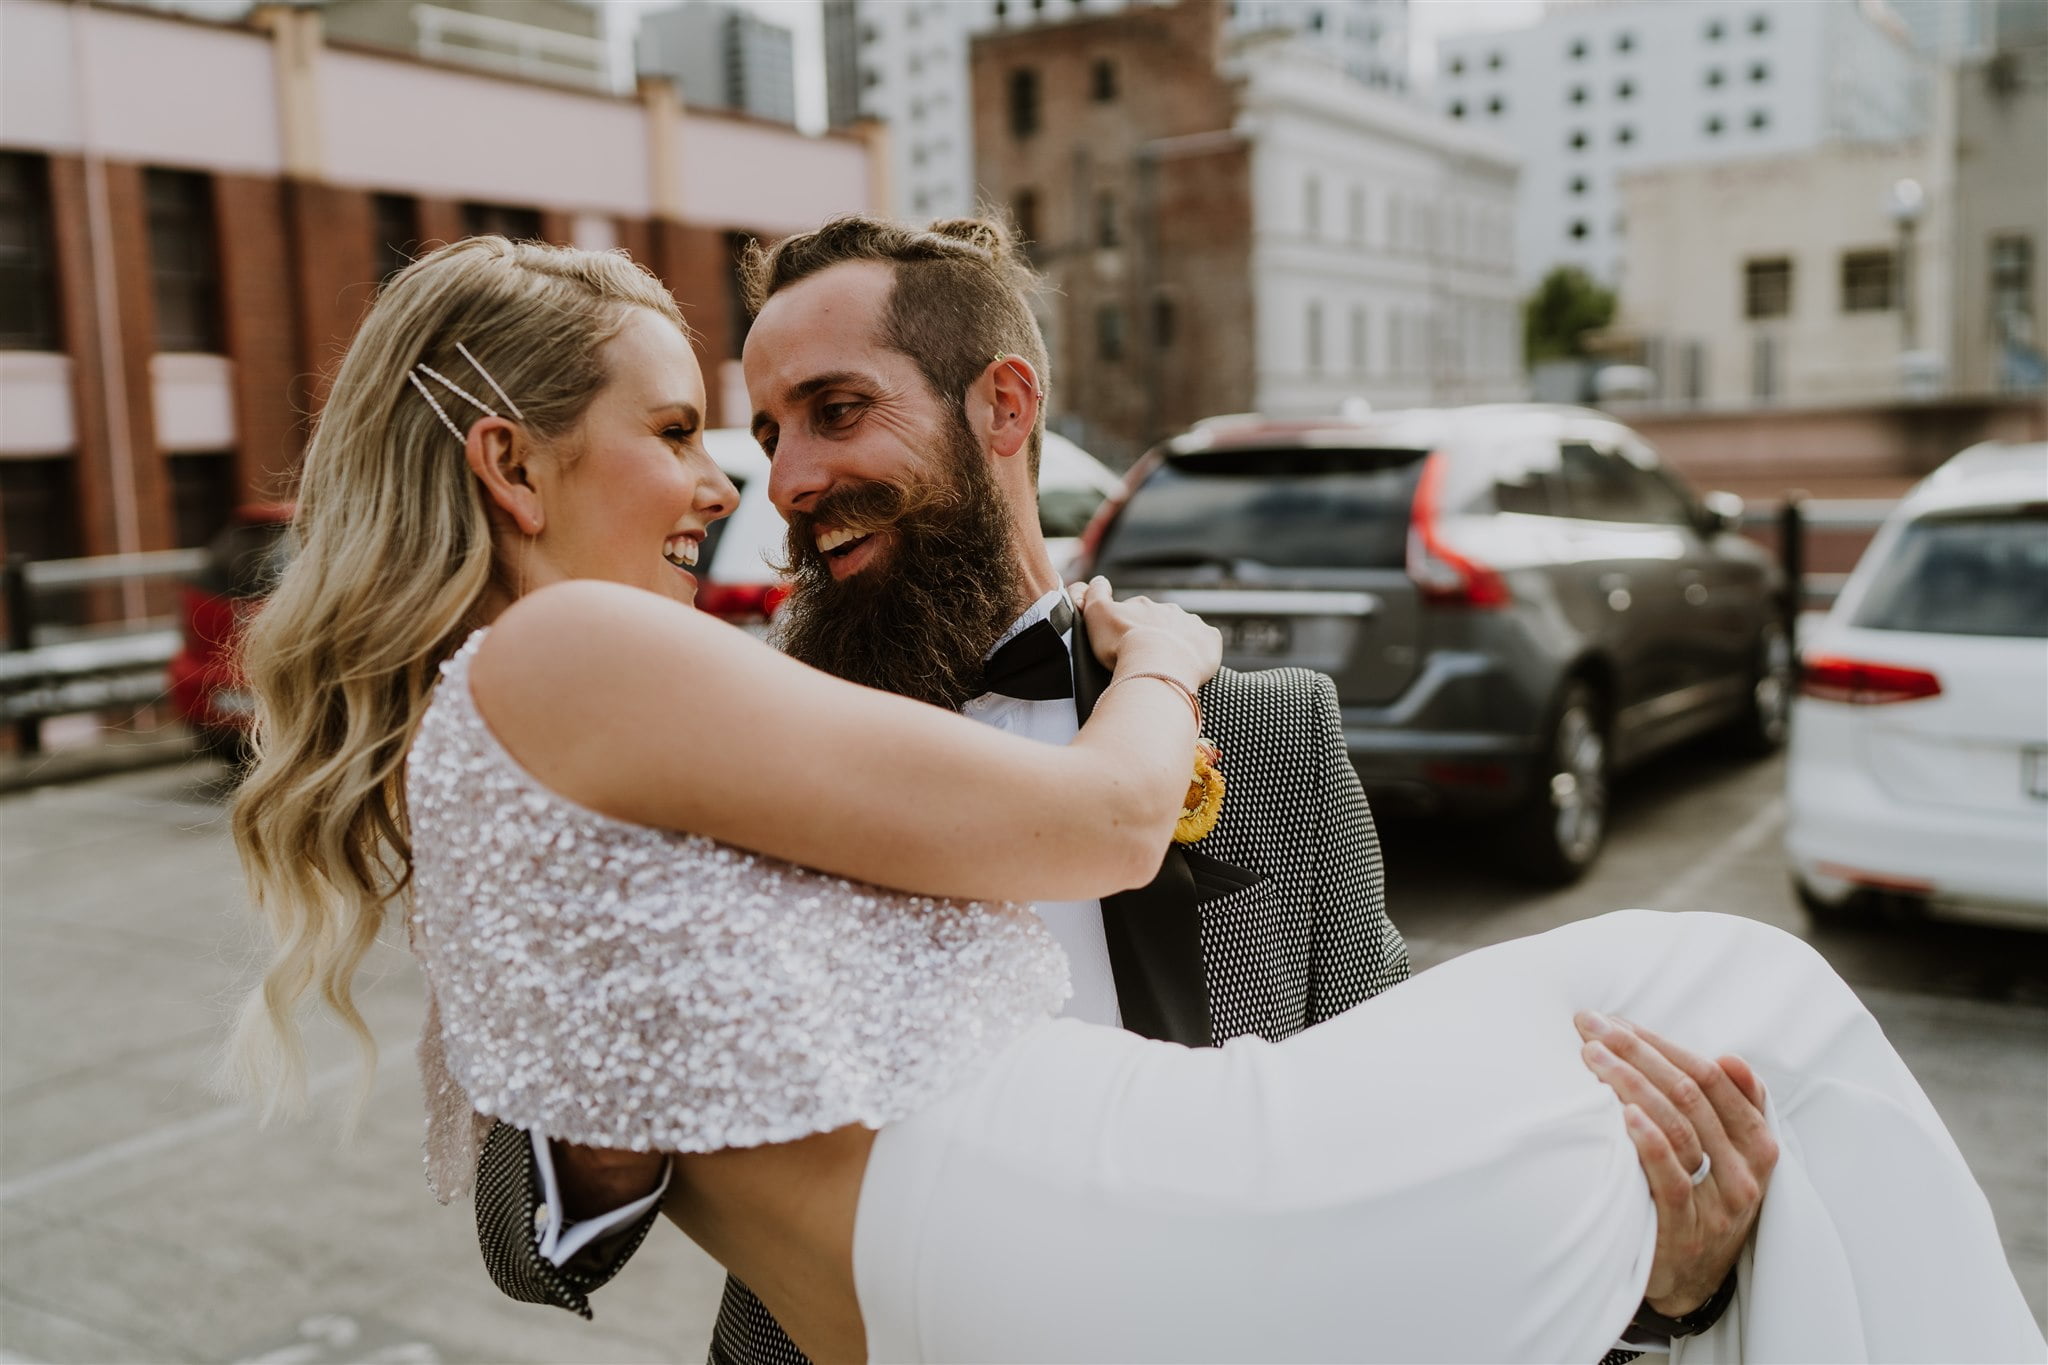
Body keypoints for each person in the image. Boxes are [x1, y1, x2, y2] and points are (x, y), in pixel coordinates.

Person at [227, 236, 2045, 1364]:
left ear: (1003, 407)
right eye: (721, 429)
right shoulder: (661, 701)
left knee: (1725, 1031)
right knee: (1751, 985)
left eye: (826, 412)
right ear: (510, 461)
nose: (761, 481)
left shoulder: (1279, 741)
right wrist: (1162, 655)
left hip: (1145, 1261)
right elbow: (533, 1209)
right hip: (1009, 1267)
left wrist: (1669, 1272)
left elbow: (1377, 1059)